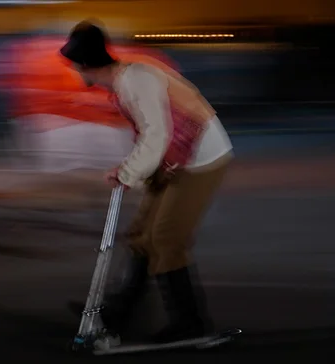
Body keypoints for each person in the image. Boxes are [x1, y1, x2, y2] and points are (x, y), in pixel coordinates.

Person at [61, 21, 234, 344]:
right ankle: (120, 313)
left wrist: (128, 172)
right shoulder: (123, 81)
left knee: (166, 239)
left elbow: (157, 134)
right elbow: (152, 137)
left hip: (201, 159)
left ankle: (191, 323)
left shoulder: (136, 80)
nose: (73, 71)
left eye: (74, 65)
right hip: (175, 159)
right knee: (141, 235)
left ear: (85, 65)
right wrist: (129, 169)